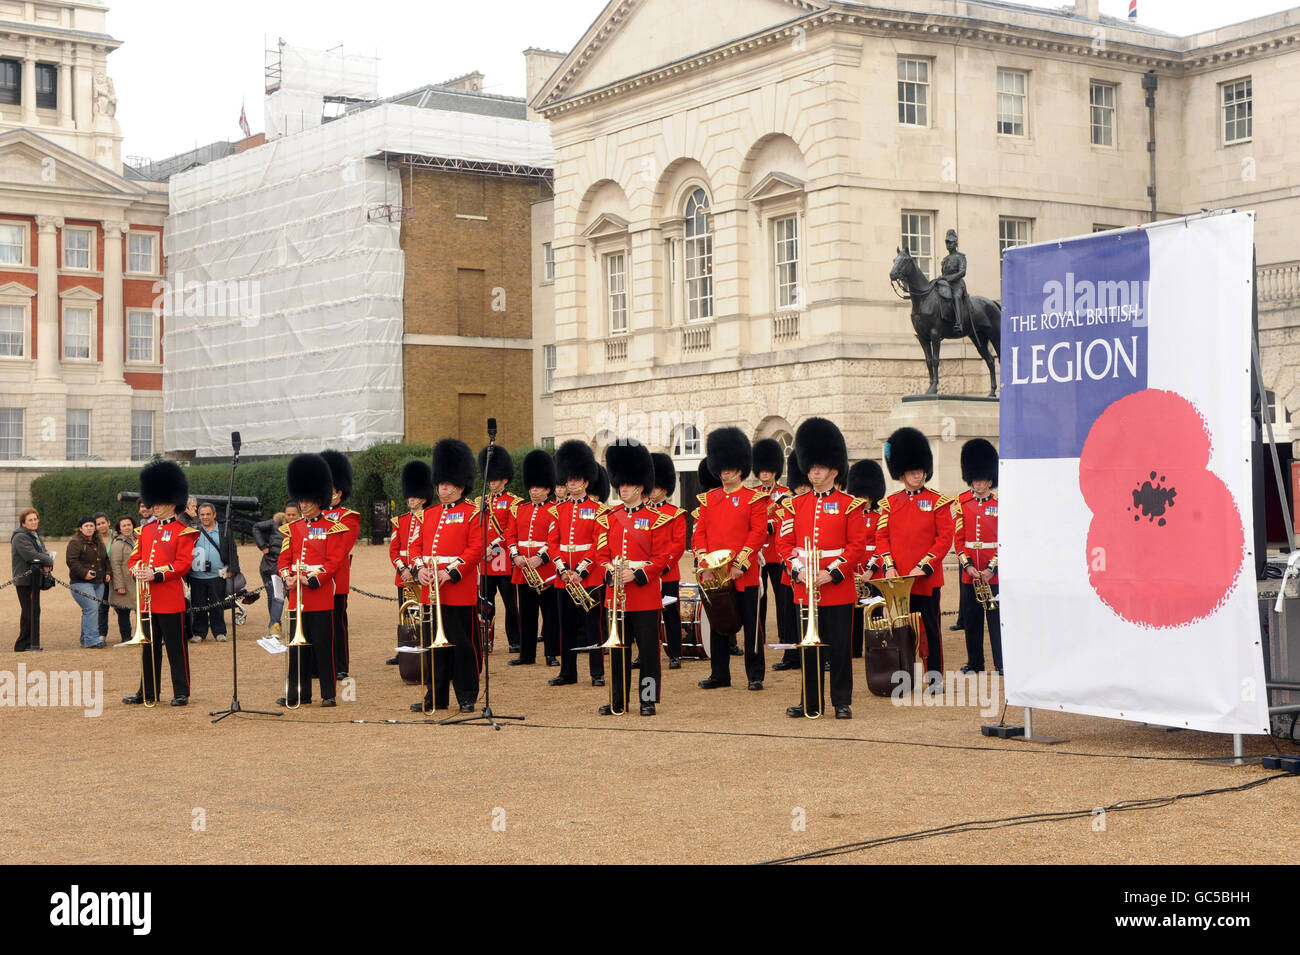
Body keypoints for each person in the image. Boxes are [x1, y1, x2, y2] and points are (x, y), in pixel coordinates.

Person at [780, 418, 868, 719]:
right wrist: (798, 571)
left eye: (821, 466)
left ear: (834, 469)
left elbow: (857, 546)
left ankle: (842, 701)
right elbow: (784, 544)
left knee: (840, 647)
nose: (815, 471)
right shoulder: (794, 505)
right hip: (805, 586)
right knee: (809, 645)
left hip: (836, 586)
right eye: (811, 466)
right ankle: (810, 701)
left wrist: (831, 572)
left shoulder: (851, 505)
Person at [596, 440, 673, 716]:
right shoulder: (610, 517)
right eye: (621, 484)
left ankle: (648, 699)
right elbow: (600, 553)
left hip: (644, 595)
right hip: (615, 594)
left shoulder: (657, 518)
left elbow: (662, 558)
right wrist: (610, 570)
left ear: (640, 486)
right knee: (618, 651)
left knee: (649, 653)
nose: (622, 488)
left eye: (627, 484)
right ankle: (618, 700)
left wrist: (636, 573)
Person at [410, 439, 485, 714]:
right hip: (432, 591)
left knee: (462, 646)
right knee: (434, 647)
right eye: (440, 483)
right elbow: (416, 547)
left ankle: (467, 695)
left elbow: (475, 550)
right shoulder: (429, 514)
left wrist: (450, 572)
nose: (442, 488)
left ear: (460, 486)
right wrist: (420, 569)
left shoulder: (473, 513)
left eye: (447, 484)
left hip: (458, 589)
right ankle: (436, 696)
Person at [878, 427, 957, 687]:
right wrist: (889, 567)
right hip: (899, 580)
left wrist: (923, 567)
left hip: (925, 580)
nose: (916, 474)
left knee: (931, 631)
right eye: (912, 470)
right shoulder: (890, 504)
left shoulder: (938, 502)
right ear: (901, 473)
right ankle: (904, 678)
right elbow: (882, 539)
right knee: (901, 631)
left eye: (920, 470)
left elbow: (944, 539)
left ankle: (934, 678)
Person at [694, 427, 769, 691]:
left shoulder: (754, 499)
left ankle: (755, 674)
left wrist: (742, 563)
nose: (725, 472)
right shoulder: (708, 500)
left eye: (729, 467)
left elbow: (758, 533)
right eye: (721, 467)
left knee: (751, 624)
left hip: (743, 572)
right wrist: (706, 566)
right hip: (715, 573)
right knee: (719, 622)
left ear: (740, 467)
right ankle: (720, 674)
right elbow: (699, 534)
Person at [124, 461, 199, 706]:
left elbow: (183, 564)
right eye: (152, 502)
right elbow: (134, 558)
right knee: (149, 647)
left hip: (170, 598)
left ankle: (181, 691)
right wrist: (138, 570)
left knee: (176, 649)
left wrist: (155, 573)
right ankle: (148, 690)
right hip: (147, 600)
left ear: (170, 502)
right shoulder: (145, 531)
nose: (152, 507)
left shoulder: (183, 532)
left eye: (157, 502)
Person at [277, 454, 348, 709]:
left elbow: (333, 562)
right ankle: (298, 693)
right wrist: (288, 577)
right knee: (297, 648)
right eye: (301, 499)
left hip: (319, 596)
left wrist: (311, 580)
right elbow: (284, 560)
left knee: (323, 648)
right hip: (297, 598)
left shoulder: (333, 528)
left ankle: (328, 693)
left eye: (307, 500)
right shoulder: (293, 529)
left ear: (317, 500)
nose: (303, 504)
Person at [550, 440, 608, 688]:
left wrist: (581, 571)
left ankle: (597, 672)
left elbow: (599, 545)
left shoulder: (598, 509)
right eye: (568, 480)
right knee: (567, 628)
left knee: (593, 627)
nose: (571, 484)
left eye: (576, 480)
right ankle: (568, 672)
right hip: (564, 578)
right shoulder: (558, 510)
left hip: (589, 578)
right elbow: (553, 543)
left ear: (585, 482)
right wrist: (563, 569)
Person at [507, 450, 560, 667]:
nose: (534, 491)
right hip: (522, 569)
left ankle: (551, 653)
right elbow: (511, 535)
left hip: (544, 570)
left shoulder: (554, 510)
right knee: (527, 615)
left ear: (547, 489)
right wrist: (515, 556)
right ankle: (526, 654)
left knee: (549, 615)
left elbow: (554, 537)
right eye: (532, 487)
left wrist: (541, 558)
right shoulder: (519, 510)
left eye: (538, 487)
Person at [956, 439, 1002, 675]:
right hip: (970, 573)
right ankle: (976, 662)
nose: (978, 483)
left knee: (996, 621)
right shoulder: (961, 503)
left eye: (982, 479)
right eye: (975, 479)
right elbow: (958, 539)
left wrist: (991, 568)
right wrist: (969, 567)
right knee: (973, 621)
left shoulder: (1000, 504)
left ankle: (1001, 663)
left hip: (993, 572)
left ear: (990, 480)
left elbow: (1004, 541)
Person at [753, 438, 794, 671]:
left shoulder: (785, 494)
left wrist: (770, 525)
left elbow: (785, 521)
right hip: (760, 554)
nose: (764, 474)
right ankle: (759, 637)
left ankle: (783, 639)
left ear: (775, 471)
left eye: (768, 470)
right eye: (761, 470)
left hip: (777, 554)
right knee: (759, 599)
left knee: (783, 601)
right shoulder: (755, 494)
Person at [320, 449, 361, 681]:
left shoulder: (348, 517)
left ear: (339, 492)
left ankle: (340, 665)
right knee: (317, 626)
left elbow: (340, 548)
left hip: (336, 580)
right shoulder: (315, 517)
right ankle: (319, 664)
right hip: (315, 579)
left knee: (337, 624)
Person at [479, 445, 523, 654]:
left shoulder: (514, 502)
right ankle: (486, 640)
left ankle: (515, 640)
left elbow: (511, 531)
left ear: (505, 479)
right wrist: (482, 548)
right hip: (485, 560)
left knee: (510, 605)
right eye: (490, 478)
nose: (492, 482)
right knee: (485, 605)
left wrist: (493, 546)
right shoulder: (481, 502)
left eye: (496, 478)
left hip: (503, 559)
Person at [389, 461, 432, 666]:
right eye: (410, 496)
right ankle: (405, 650)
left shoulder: (430, 518)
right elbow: (394, 550)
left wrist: (415, 570)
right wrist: (403, 569)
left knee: (422, 613)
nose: (411, 500)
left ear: (423, 499)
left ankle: (424, 645)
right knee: (404, 614)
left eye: (415, 497)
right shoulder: (401, 521)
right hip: (403, 575)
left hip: (420, 574)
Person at [645, 453, 686, 669]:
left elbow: (678, 546)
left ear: (665, 488)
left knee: (670, 614)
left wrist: (662, 567)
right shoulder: (641, 514)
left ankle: (675, 654)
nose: (652, 489)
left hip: (667, 573)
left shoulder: (675, 514)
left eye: (656, 485)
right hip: (646, 574)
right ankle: (645, 654)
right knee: (646, 617)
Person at [845, 460, 888, 658]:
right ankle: (854, 648)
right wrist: (852, 569)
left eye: (868, 496)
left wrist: (870, 569)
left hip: (874, 568)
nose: (865, 499)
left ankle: (876, 645)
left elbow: (882, 545)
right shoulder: (851, 515)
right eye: (862, 495)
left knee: (875, 609)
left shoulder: (880, 517)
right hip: (853, 568)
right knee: (853, 612)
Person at [12, 508, 54, 652]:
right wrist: (49, 560)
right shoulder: (20, 537)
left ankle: (30, 643)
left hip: (34, 578)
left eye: (35, 519)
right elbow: (31, 556)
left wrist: (46, 560)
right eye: (30, 520)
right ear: (23, 523)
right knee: (29, 612)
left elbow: (41, 553)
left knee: (33, 610)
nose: (34, 522)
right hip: (25, 580)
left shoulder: (34, 535)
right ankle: (22, 645)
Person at [66, 516, 108, 649]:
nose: (89, 528)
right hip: (80, 582)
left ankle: (86, 639)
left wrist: (108, 573)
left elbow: (105, 559)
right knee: (91, 608)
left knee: (89, 610)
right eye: (86, 526)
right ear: (80, 528)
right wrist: (84, 573)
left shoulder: (99, 542)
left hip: (99, 582)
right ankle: (92, 640)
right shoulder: (75, 542)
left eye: (91, 525)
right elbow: (72, 561)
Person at [189, 503, 228, 643]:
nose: (205, 517)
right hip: (196, 576)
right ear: (198, 516)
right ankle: (199, 633)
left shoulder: (224, 530)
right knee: (198, 605)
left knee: (217, 605)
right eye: (202, 515)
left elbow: (232, 550)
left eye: (208, 514)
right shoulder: (193, 531)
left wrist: (233, 569)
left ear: (214, 515)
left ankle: (219, 632)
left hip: (217, 575)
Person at [251, 511, 288, 637]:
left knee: (277, 597)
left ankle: (274, 625)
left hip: (288, 567)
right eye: (289, 514)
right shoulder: (275, 523)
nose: (291, 516)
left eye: (294, 514)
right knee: (275, 597)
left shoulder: (302, 525)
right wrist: (262, 546)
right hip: (270, 565)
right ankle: (274, 626)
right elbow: (255, 527)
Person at [108, 516, 138, 644]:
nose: (127, 527)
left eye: (129, 525)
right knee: (124, 613)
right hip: (124, 583)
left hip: (137, 582)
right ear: (119, 529)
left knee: (142, 611)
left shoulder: (139, 540)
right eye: (124, 525)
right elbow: (115, 565)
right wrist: (119, 585)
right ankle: (126, 637)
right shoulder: (117, 544)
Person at [939, 228, 971, 335]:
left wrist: (949, 278)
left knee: (956, 297)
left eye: (951, 242)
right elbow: (944, 274)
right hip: (946, 284)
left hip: (957, 284)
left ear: (955, 243)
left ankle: (959, 323)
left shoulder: (961, 257)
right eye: (947, 242)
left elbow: (962, 272)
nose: (948, 245)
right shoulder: (945, 259)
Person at [93, 513, 113, 643]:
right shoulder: (93, 539)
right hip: (102, 577)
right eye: (98, 524)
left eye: (103, 523)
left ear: (108, 523)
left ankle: (126, 635)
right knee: (102, 606)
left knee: (122, 607)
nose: (101, 526)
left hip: (117, 575)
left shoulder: (117, 535)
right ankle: (102, 635)